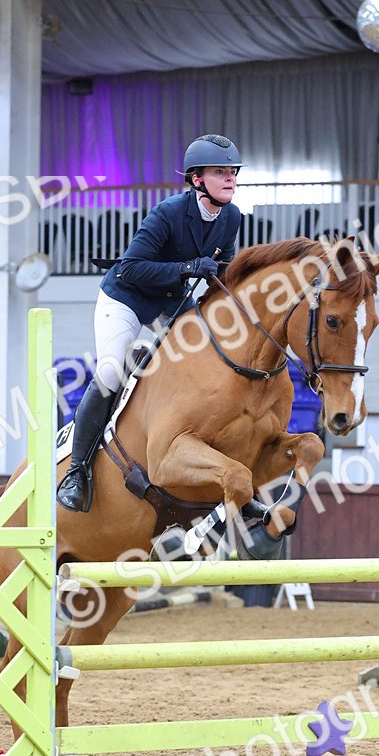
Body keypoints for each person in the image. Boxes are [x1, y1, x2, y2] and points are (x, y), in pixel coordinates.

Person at [57, 134, 244, 513]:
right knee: (111, 373)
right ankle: (76, 472)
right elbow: (130, 266)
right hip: (126, 297)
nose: (230, 179)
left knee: (203, 364)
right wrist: (188, 267)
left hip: (170, 301)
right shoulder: (168, 212)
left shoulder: (232, 216)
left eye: (233, 173)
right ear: (197, 180)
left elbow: (226, 271)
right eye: (220, 172)